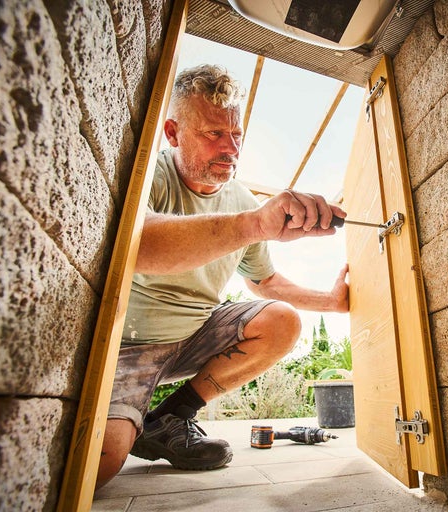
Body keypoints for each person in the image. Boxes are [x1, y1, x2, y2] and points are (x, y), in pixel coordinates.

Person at [96, 64, 349, 489]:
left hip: (197, 335)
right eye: (213, 134)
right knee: (101, 462)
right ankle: (136, 426)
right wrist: (254, 224)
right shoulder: (150, 175)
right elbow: (136, 245)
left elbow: (264, 283)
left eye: (236, 136)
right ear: (174, 133)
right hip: (131, 345)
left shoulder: (241, 199)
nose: (230, 148)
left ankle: (171, 417)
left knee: (281, 320)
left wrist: (333, 302)